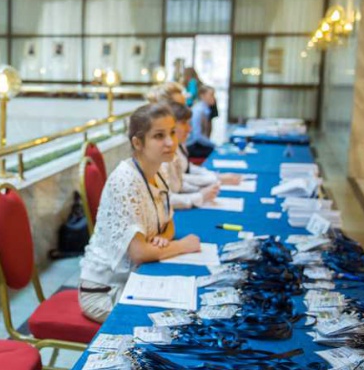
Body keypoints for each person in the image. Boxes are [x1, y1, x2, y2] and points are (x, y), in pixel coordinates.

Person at [78, 103, 201, 322]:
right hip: (106, 291)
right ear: (137, 143)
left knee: (193, 300)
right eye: (159, 136)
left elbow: (169, 224)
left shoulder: (159, 171)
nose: (170, 142)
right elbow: (139, 253)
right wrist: (183, 245)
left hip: (137, 277)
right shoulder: (125, 181)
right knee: (180, 318)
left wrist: (162, 240)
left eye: (172, 132)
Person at [163, 101, 242, 209]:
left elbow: (179, 180)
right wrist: (201, 194)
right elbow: (165, 199)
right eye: (184, 123)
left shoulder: (178, 145)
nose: (189, 129)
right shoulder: (162, 155)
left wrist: (200, 190)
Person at [186, 85, 217, 158]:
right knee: (215, 152)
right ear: (202, 96)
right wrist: (214, 145)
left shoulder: (206, 110)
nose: (214, 97)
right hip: (192, 146)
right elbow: (197, 136)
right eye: (211, 95)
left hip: (197, 144)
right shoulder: (198, 110)